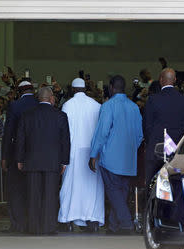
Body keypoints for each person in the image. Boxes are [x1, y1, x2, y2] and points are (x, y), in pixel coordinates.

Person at [89, 75, 142, 234]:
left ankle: (126, 224)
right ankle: (114, 226)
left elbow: (102, 133)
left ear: (111, 87)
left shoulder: (108, 106)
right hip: (128, 160)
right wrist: (130, 149)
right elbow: (139, 135)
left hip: (111, 158)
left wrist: (93, 154)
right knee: (121, 193)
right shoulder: (134, 107)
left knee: (113, 192)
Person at [16, 86, 70, 235]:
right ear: (51, 98)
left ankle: (34, 228)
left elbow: (21, 139)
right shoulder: (60, 116)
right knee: (50, 195)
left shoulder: (27, 115)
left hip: (31, 161)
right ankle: (49, 227)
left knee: (33, 195)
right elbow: (65, 141)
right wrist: (64, 162)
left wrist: (20, 159)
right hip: (53, 162)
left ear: (38, 98)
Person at [58, 78, 104, 233]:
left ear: (72, 89)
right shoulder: (96, 105)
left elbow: (64, 133)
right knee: (92, 189)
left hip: (72, 152)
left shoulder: (67, 105)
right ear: (85, 89)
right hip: (92, 154)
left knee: (70, 187)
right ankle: (92, 220)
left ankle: (68, 220)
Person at [1, 81, 38, 233]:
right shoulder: (39, 104)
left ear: (19, 91)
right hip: (37, 155)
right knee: (33, 190)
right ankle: (31, 224)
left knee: (15, 191)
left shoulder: (15, 106)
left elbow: (8, 133)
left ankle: (17, 224)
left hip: (17, 155)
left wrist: (4, 156)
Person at [144, 68, 184, 188]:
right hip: (175, 149)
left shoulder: (153, 99)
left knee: (152, 185)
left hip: (156, 147)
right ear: (174, 80)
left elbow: (147, 126)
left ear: (160, 80)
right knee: (174, 185)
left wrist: (151, 142)